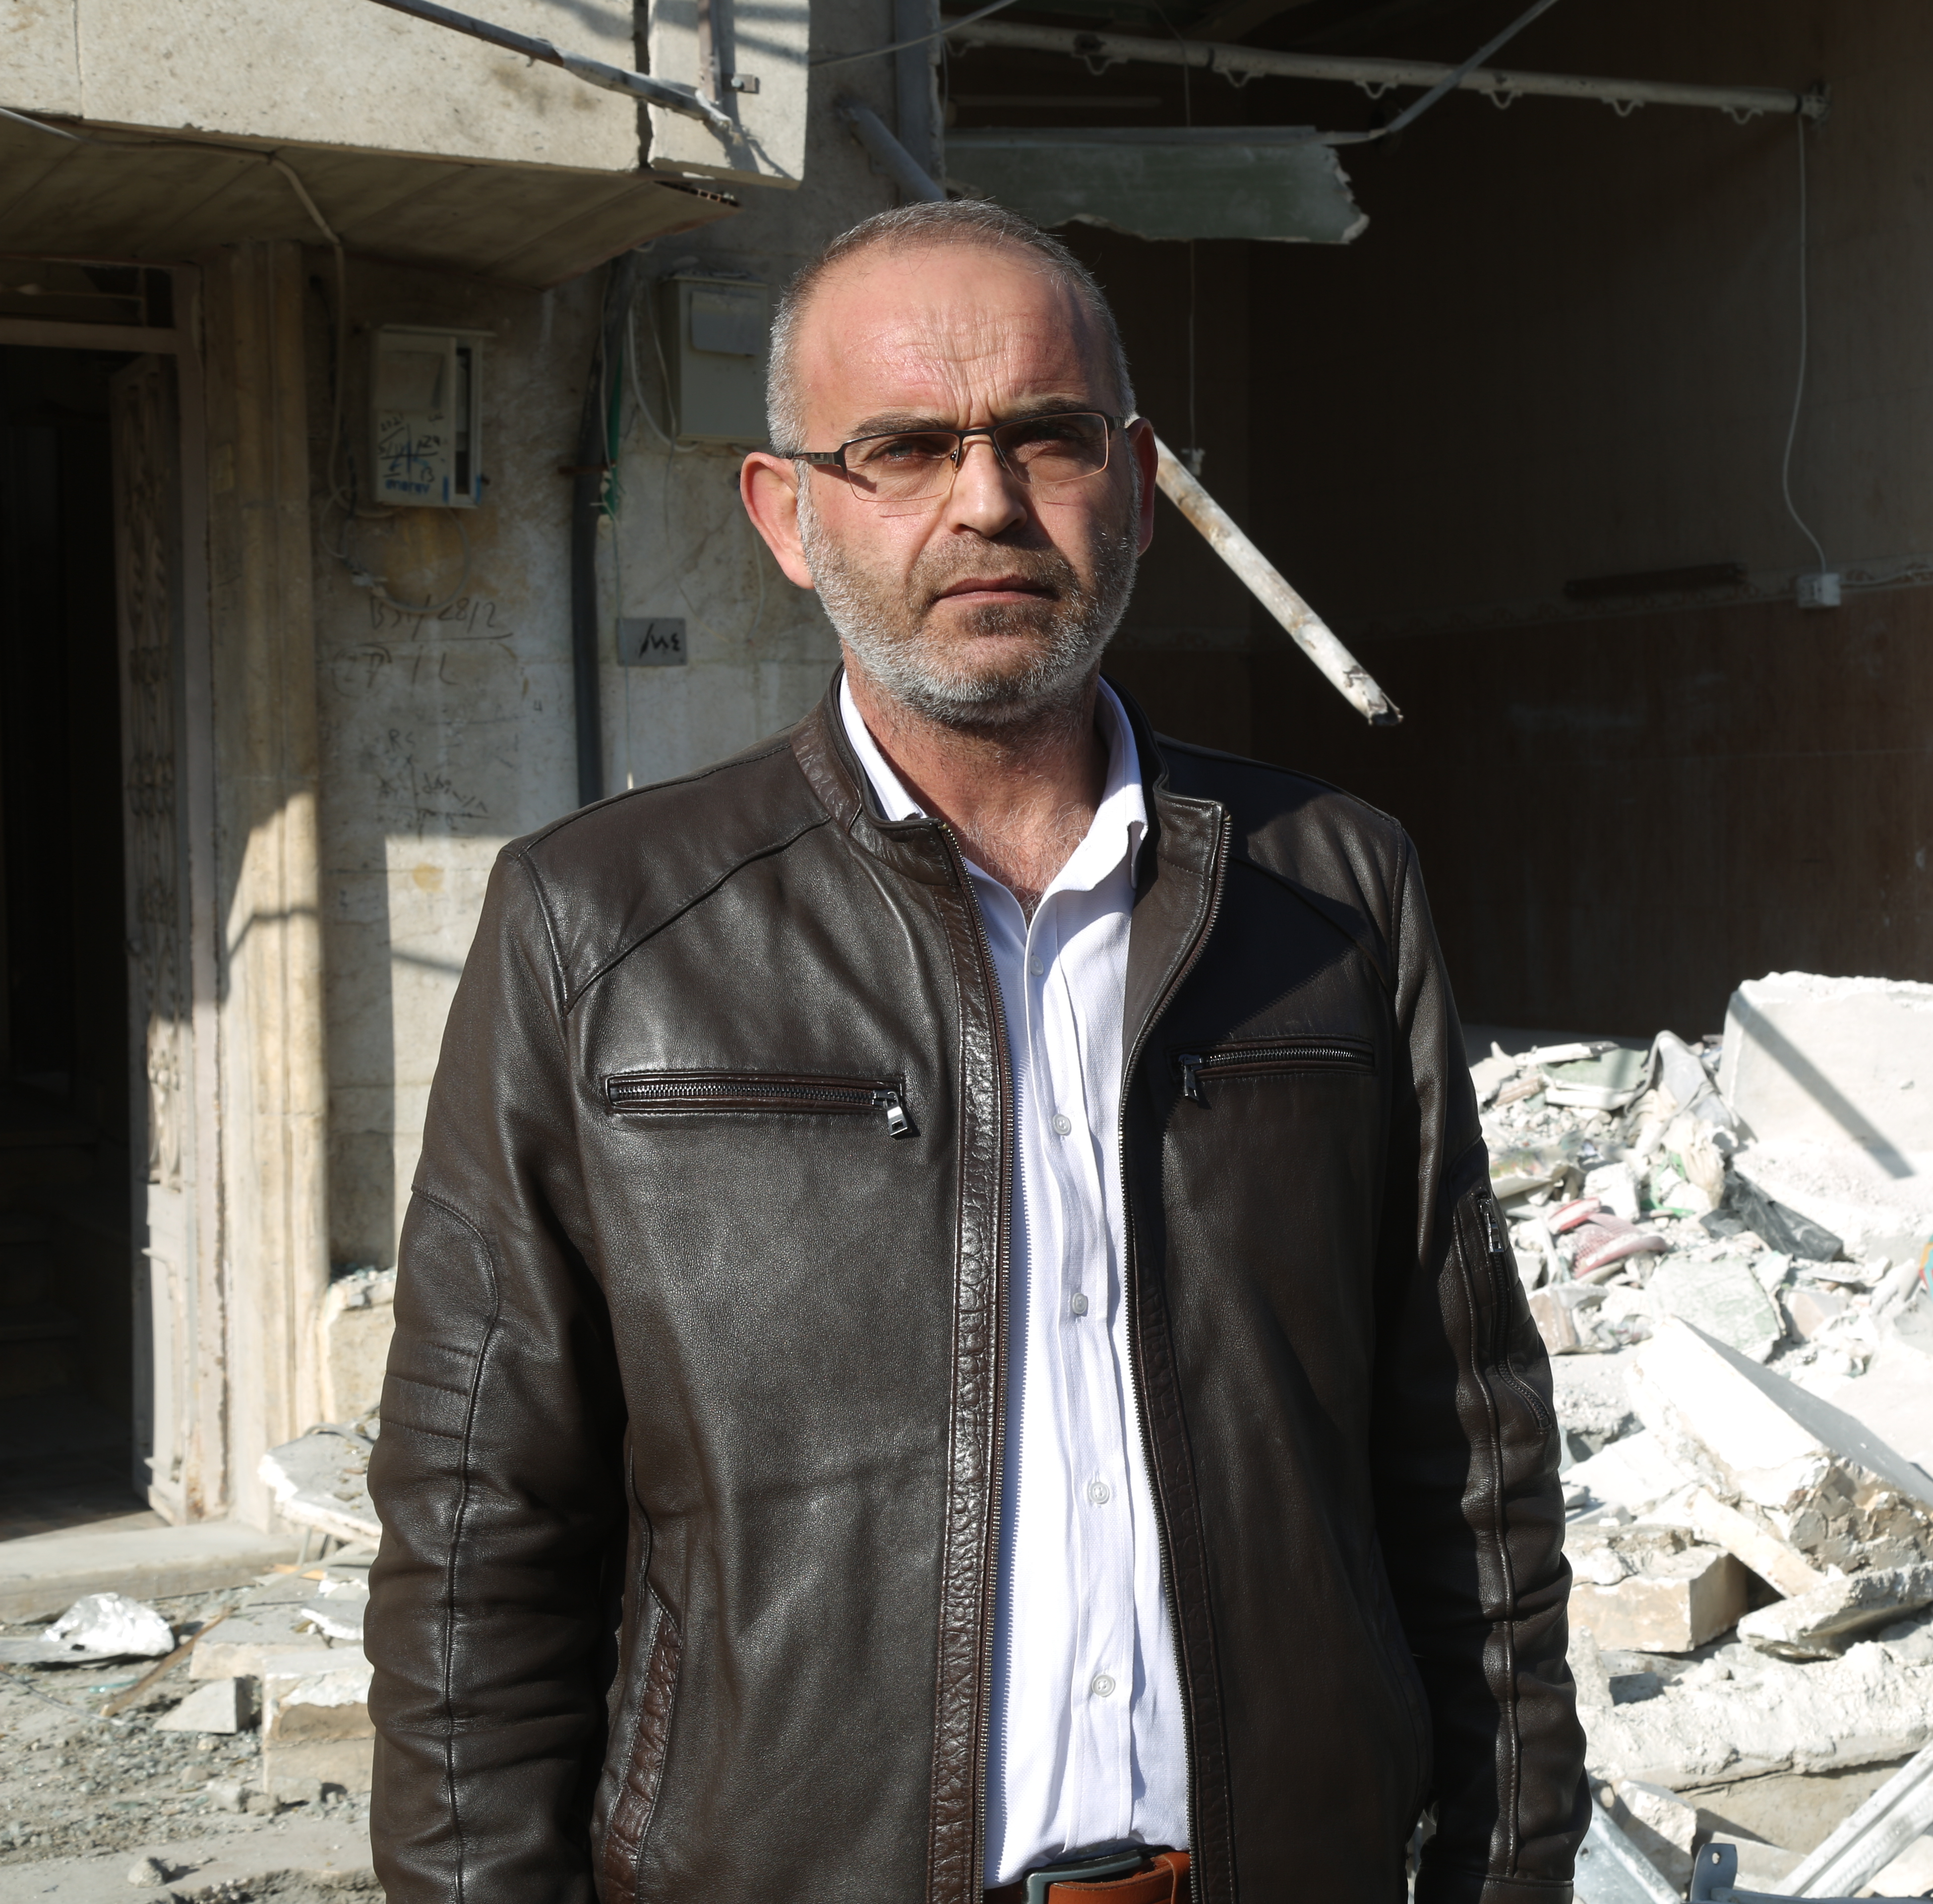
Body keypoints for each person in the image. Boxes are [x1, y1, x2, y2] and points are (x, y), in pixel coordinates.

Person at [363, 198, 1584, 1904]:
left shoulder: (1335, 892)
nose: (988, 501)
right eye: (906, 448)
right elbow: (478, 1534)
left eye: (1048, 436)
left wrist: (1509, 1866)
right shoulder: (601, 930)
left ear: (1137, 484)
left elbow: (1465, 1454)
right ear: (788, 513)